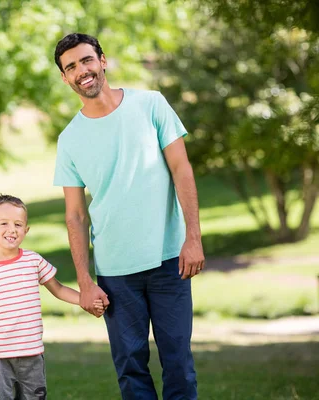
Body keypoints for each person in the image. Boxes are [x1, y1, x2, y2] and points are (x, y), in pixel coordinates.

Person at [52, 33, 205, 400]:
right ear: (64, 78)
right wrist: (85, 281)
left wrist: (193, 237)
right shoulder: (69, 139)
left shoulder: (151, 105)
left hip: (170, 261)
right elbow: (75, 216)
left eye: (86, 60)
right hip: (115, 274)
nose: (81, 71)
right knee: (130, 369)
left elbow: (182, 169)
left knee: (179, 365)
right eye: (70, 67)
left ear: (102, 61)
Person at [0, 194, 104, 400]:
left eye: (18, 224)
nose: (12, 229)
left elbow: (58, 289)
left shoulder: (33, 261)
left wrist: (85, 299)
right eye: (4, 223)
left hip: (32, 355)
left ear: (26, 230)